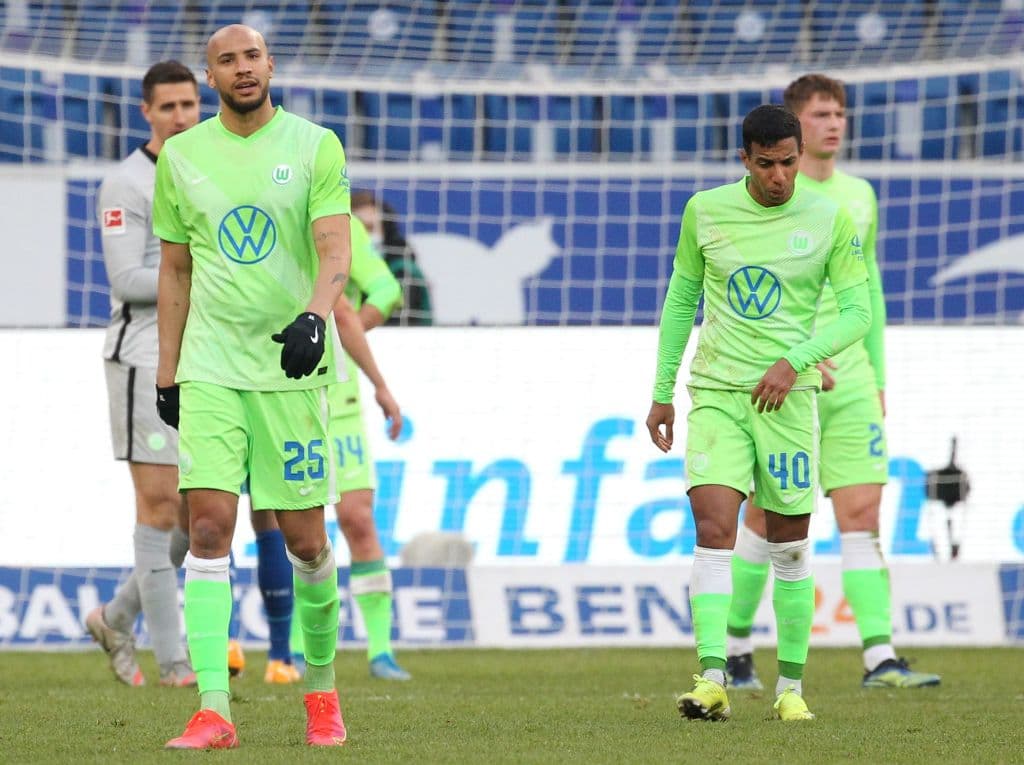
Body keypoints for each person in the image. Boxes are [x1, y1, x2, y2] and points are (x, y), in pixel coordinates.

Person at [154, 24, 353, 749]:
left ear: (270, 65)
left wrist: (315, 316)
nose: (242, 69)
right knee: (207, 528)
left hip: (288, 367)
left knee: (306, 543)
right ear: (210, 77)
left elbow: (336, 244)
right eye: (227, 61)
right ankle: (213, 708)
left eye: (252, 57)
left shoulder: (314, 145)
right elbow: (175, 269)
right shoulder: (181, 156)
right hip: (209, 365)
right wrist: (169, 370)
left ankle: (322, 693)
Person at [645, 104, 871, 722]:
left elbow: (859, 313)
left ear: (801, 156)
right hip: (718, 393)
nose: (779, 177)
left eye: (789, 163)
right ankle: (712, 676)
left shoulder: (830, 217)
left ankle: (789, 688)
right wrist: (663, 390)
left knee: (790, 548)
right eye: (766, 165)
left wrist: (794, 360)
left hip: (789, 400)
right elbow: (679, 300)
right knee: (713, 528)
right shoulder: (707, 211)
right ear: (745, 160)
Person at [724, 75, 941, 691]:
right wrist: (792, 356)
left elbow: (868, 288)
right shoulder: (766, 204)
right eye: (821, 113)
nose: (835, 122)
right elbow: (749, 298)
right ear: (792, 127)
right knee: (767, 517)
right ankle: (737, 649)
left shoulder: (860, 196)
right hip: (789, 381)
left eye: (840, 112)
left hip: (852, 383)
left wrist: (877, 375)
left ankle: (880, 656)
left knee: (863, 515)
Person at [254, 215, 413, 685]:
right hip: (277, 389)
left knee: (357, 518)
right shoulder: (269, 221)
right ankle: (299, 649)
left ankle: (380, 650)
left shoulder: (341, 229)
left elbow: (383, 292)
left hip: (336, 396)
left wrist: (343, 341)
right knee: (298, 520)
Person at [86, 60, 199, 689]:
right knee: (159, 509)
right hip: (142, 356)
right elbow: (126, 279)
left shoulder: (207, 172)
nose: (182, 116)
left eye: (190, 105)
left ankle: (114, 616)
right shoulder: (127, 182)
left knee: (198, 512)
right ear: (146, 112)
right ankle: (176, 666)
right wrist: (205, 275)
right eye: (169, 107)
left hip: (201, 357)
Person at [351, 190, 434, 326]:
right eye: (357, 228)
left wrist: (350, 332)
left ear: (385, 230)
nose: (363, 234)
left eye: (370, 228)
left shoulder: (404, 271)